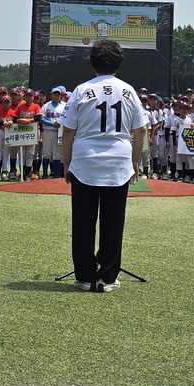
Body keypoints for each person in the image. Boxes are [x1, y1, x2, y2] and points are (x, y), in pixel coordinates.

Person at [59, 39, 148, 293]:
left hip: (85, 160)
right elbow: (140, 129)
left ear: (92, 62)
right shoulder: (129, 91)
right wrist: (134, 161)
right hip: (118, 162)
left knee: (83, 221)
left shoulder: (80, 90)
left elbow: (68, 131)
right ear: (119, 63)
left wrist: (67, 162)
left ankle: (85, 277)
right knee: (113, 221)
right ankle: (107, 277)